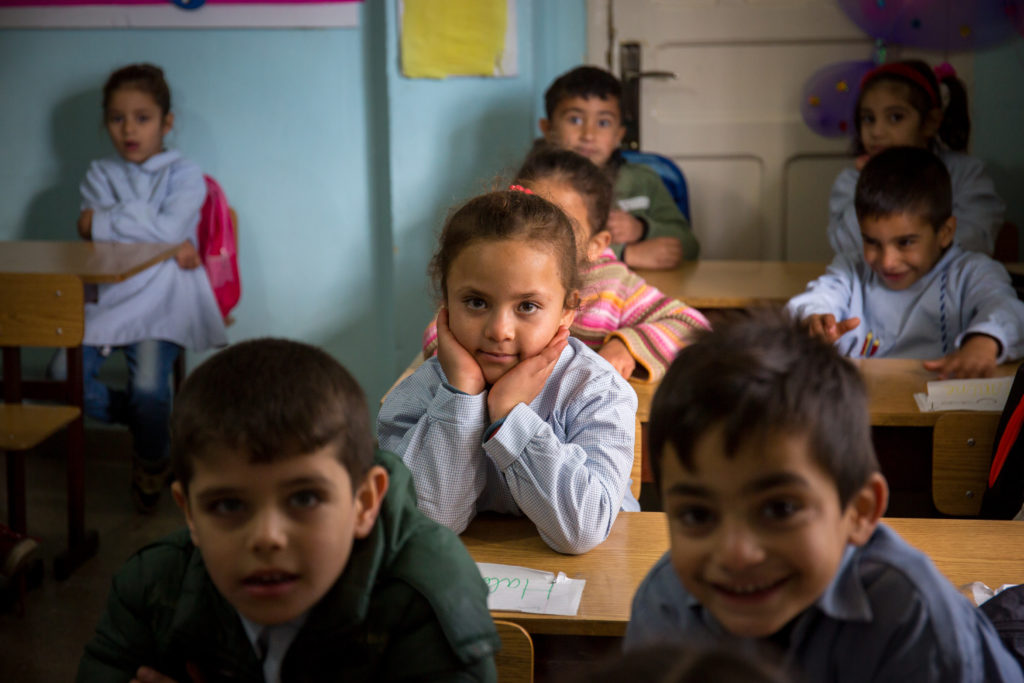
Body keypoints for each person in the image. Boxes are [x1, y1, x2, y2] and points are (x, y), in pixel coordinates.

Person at [625, 309, 1023, 682]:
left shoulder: (913, 615)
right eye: (697, 515)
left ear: (860, 511)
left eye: (779, 509)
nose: (736, 553)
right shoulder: (665, 604)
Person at [77, 338, 499, 683]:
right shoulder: (152, 589)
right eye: (227, 505)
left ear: (365, 502)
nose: (267, 537)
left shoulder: (427, 595)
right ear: (189, 515)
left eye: (304, 499)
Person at [378, 188, 638, 555]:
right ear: (445, 302)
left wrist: (511, 416)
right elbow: (423, 526)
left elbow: (582, 531)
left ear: (568, 309)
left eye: (527, 306)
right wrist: (462, 397)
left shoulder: (596, 390)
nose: (499, 329)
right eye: (476, 302)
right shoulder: (418, 393)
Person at [57, 63, 227, 513]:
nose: (128, 129)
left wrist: (105, 221)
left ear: (166, 123)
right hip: (109, 300)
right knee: (62, 379)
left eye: (142, 117)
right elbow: (160, 232)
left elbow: (165, 226)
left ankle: (152, 458)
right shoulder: (99, 173)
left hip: (162, 301)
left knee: (150, 390)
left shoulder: (184, 173)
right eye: (117, 118)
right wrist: (166, 240)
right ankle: (151, 430)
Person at [422, 146, 710, 382]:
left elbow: (691, 325)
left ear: (597, 245)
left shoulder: (612, 284)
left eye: (564, 225)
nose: (540, 233)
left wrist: (625, 348)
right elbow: (441, 329)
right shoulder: (497, 267)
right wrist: (466, 375)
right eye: (531, 214)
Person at [788, 146, 1024, 379]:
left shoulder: (972, 272)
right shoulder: (851, 269)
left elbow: (1006, 308)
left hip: (944, 413)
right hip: (863, 409)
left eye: (905, 243)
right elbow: (815, 299)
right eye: (872, 242)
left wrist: (985, 342)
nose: (887, 262)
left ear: (945, 232)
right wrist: (814, 321)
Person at [828, 59, 1005, 257]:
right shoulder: (851, 181)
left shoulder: (966, 174)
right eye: (869, 118)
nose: (876, 132)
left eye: (895, 117)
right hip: (877, 287)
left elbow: (977, 241)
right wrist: (875, 184)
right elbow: (850, 247)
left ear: (930, 122)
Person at [539, 65, 700, 269]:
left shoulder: (644, 180)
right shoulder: (538, 184)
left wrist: (642, 229)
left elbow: (690, 246)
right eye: (575, 119)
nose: (589, 134)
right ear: (548, 129)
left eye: (603, 123)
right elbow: (530, 252)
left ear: (619, 135)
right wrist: (623, 254)